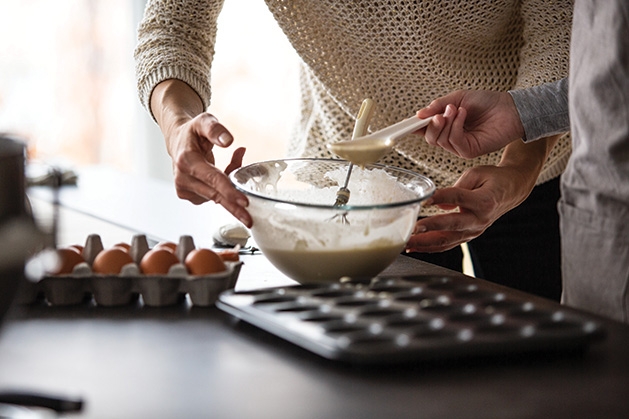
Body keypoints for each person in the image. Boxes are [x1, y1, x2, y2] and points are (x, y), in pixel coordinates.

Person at [134, 0, 573, 300]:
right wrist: (177, 126)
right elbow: (172, 25)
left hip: (523, 159)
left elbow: (561, 30)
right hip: (347, 181)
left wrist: (518, 171)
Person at [415, 1, 629, 322]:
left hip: (574, 186)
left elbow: (590, 57)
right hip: (593, 198)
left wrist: (519, 165)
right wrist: (523, 111)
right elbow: (600, 73)